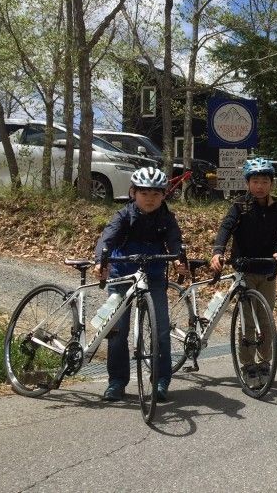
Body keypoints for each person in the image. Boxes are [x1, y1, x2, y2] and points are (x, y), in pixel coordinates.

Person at [94, 167, 187, 403]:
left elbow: (175, 242)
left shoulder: (167, 218)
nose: (150, 199)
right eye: (144, 193)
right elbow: (107, 238)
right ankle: (116, 382)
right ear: (133, 193)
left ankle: (161, 380)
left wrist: (178, 259)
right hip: (122, 275)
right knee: (117, 331)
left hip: (153, 274)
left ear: (163, 195)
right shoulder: (123, 215)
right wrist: (100, 261)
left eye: (156, 194)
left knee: (161, 330)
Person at [211, 157, 277, 385]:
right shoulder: (239, 206)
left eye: (265, 181)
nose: (260, 186)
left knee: (266, 320)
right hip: (244, 270)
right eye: (255, 181)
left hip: (267, 270)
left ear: (271, 184)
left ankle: (265, 363)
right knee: (247, 321)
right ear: (248, 183)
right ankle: (248, 365)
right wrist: (218, 251)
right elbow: (225, 228)